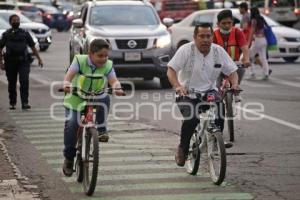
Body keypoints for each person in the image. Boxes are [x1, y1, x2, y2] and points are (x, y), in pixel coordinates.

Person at [167, 23, 239, 167]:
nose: (205, 39)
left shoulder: (218, 51)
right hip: (187, 93)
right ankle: (183, 148)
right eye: (202, 36)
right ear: (194, 37)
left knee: (219, 110)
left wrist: (234, 84)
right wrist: (178, 86)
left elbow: (232, 71)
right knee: (192, 119)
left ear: (212, 37)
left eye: (208, 36)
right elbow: (171, 70)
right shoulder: (186, 50)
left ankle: (216, 138)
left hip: (209, 92)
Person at [62, 39, 125, 176]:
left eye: (105, 56)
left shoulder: (108, 65)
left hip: (95, 96)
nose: (103, 59)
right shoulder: (79, 60)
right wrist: (66, 84)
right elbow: (69, 75)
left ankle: (102, 130)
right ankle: (69, 158)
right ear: (90, 54)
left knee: (105, 97)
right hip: (76, 97)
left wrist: (117, 88)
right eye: (100, 56)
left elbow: (113, 80)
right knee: (72, 123)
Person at [0, 14, 43, 110]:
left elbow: (32, 46)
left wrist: (39, 59)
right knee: (12, 83)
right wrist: (1, 62)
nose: (16, 22)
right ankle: (12, 103)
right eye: (14, 20)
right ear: (10, 22)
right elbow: (0, 48)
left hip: (23, 61)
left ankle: (25, 102)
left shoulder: (25, 33)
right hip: (10, 62)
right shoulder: (6, 34)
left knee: (24, 81)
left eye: (17, 20)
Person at [213, 9, 250, 102]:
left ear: (232, 23)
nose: (227, 25)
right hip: (218, 64)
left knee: (241, 68)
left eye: (229, 23)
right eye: (223, 23)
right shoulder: (214, 34)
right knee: (216, 88)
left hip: (234, 63)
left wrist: (246, 59)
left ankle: (235, 89)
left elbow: (244, 47)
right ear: (218, 24)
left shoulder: (237, 32)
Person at [248, 7, 270, 80]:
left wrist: (249, 42)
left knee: (250, 56)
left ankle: (252, 73)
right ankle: (266, 73)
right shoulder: (261, 18)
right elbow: (267, 27)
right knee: (263, 57)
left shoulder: (254, 20)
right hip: (264, 40)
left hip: (257, 40)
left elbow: (252, 31)